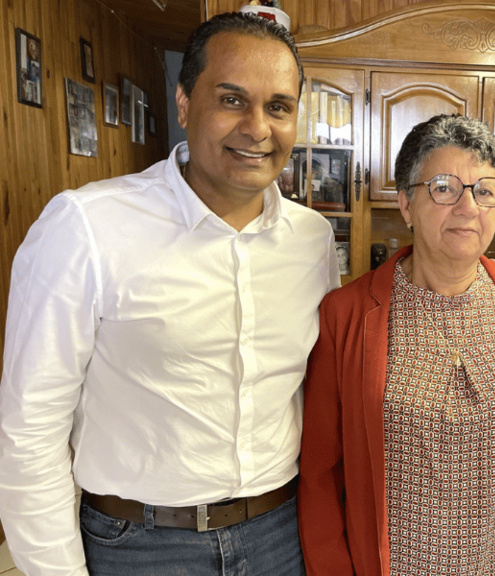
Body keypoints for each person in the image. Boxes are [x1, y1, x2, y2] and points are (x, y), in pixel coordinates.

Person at [0, 11, 339, 576]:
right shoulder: (86, 226)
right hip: (140, 546)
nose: (257, 128)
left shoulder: (312, 239)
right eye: (232, 99)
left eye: (278, 106)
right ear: (184, 103)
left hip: (283, 535)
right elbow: (30, 427)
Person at [298, 114, 495, 576]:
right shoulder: (346, 316)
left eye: (484, 191)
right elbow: (321, 477)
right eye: (444, 188)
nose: (468, 208)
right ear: (405, 203)